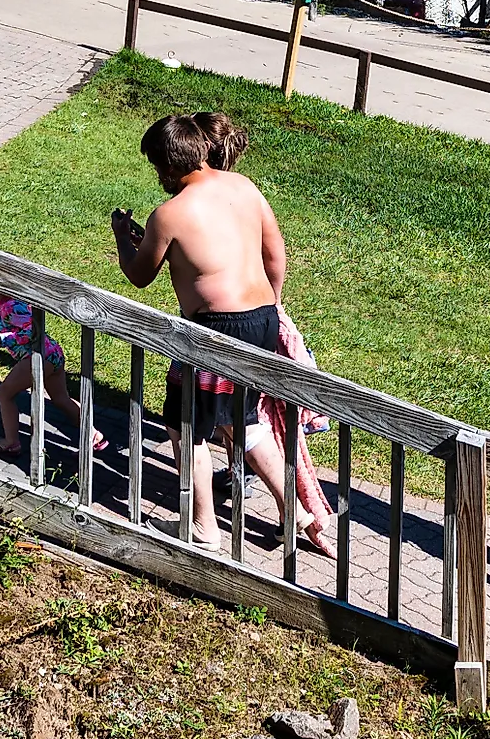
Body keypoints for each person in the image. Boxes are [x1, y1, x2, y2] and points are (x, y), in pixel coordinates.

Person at [111, 114, 332, 552]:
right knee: (245, 421)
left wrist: (123, 237)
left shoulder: (170, 213)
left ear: (167, 168)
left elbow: (139, 275)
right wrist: (275, 303)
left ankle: (204, 529)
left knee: (185, 426)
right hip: (262, 318)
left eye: (157, 169)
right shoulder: (243, 186)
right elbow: (275, 251)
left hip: (214, 332)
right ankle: (298, 513)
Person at [0, 294, 105, 463]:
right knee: (60, 399)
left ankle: (11, 442)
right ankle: (93, 434)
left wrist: (5, 338)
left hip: (37, 355)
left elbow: (31, 329)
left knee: (4, 393)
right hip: (52, 352)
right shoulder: (9, 302)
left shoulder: (11, 305)